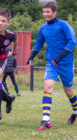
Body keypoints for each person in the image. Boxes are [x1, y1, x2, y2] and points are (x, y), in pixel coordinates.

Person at [26, 1, 77, 130]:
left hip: (66, 64)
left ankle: (75, 112)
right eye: (44, 12)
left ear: (54, 12)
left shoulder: (64, 25)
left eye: (48, 12)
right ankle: (46, 119)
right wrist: (31, 57)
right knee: (48, 87)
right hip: (51, 64)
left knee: (68, 91)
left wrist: (58, 58)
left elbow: (72, 43)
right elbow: (38, 44)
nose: (45, 14)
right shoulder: (43, 28)